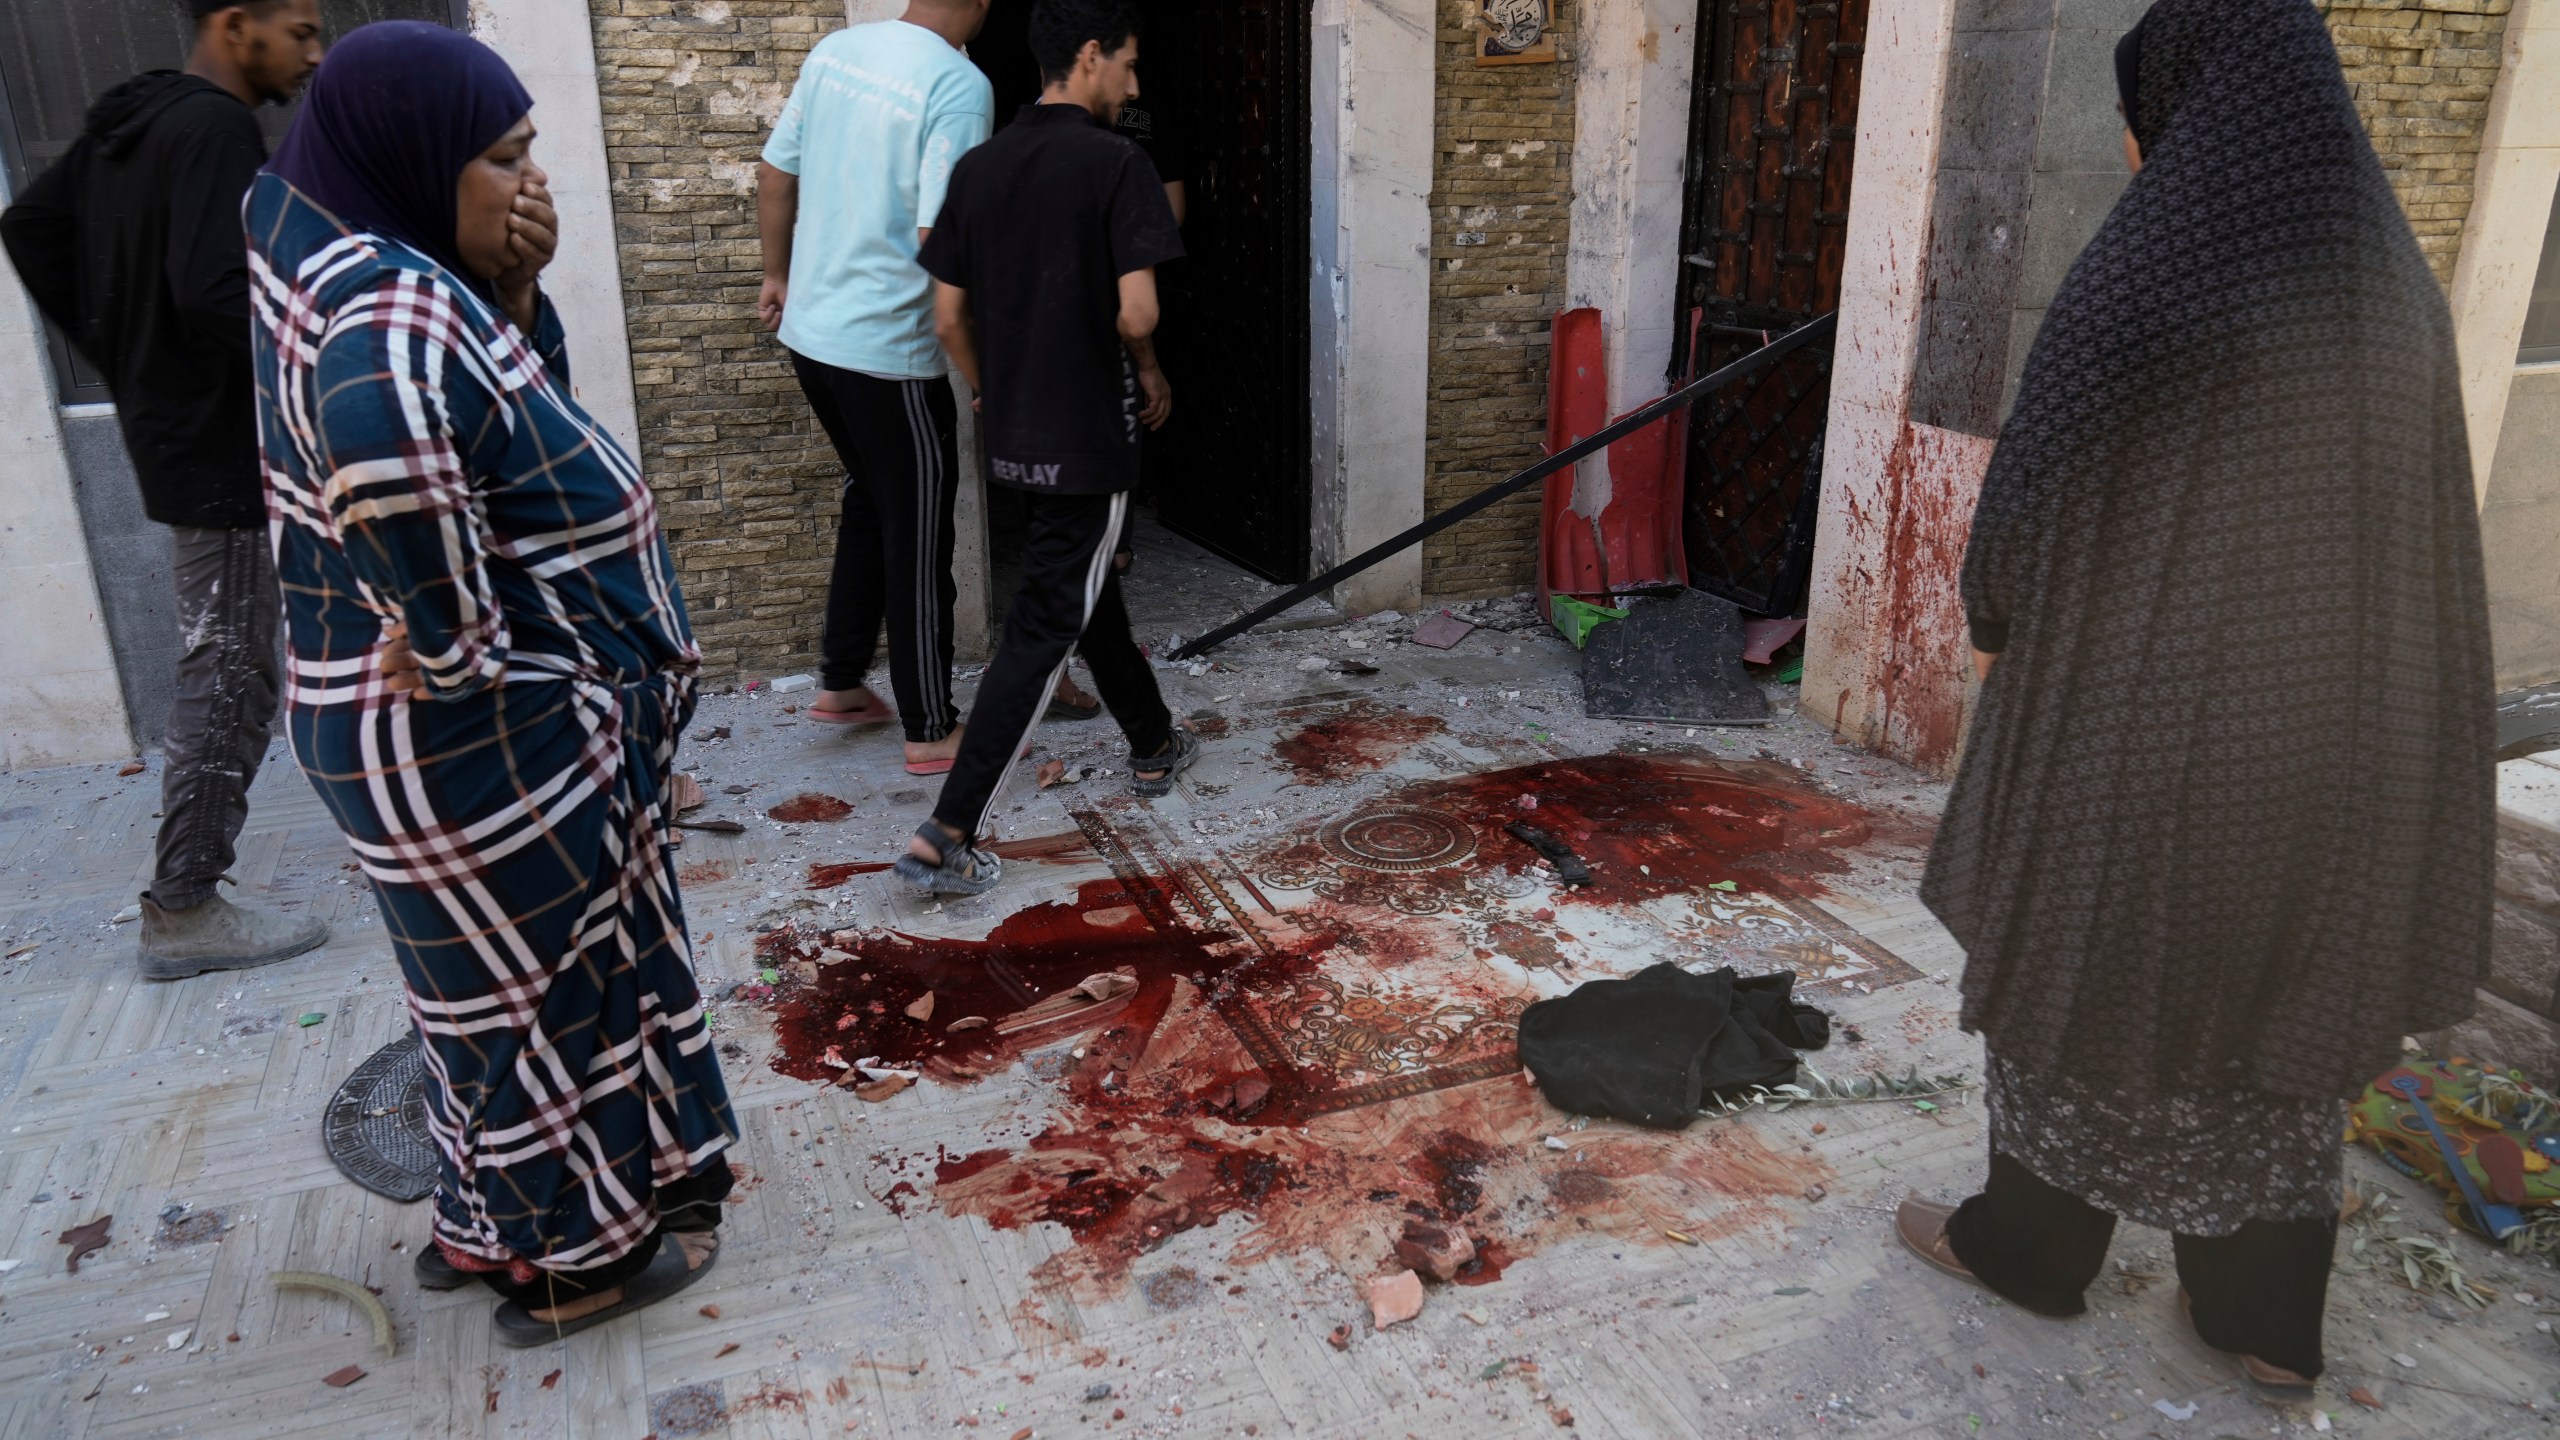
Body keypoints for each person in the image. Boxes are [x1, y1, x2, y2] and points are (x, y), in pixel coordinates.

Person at [1896, 0, 2493, 1398]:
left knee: (2086, 978)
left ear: (2181, 99)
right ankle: (2265, 1325)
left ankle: (2029, 1252)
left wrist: (1993, 625)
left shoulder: (2155, 272)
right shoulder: (2392, 279)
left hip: (2150, 731)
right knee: (2284, 1030)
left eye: (2132, 114)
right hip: (2347, 751)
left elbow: (2035, 497)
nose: (2122, 143)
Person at [245, 22, 737, 1345]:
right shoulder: (385, 306)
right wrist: (447, 627)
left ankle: (484, 1226)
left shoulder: (392, 268)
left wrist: (514, 296)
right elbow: (383, 434)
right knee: (548, 1013)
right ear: (414, 158)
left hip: (477, 731)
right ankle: (579, 1268)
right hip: (477, 731)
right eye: (504, 155)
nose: (529, 184)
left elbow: (516, 422)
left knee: (496, 1004)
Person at [0, 0, 330, 980]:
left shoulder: (134, 121)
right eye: (300, 30)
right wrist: (312, 360)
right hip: (220, 435)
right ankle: (183, 907)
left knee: (228, 653)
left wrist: (121, 354)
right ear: (237, 23)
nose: (313, 54)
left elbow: (30, 224)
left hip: (176, 422)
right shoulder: (215, 126)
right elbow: (212, 286)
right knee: (231, 663)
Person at [896, 0, 1192, 896]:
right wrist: (1145, 367)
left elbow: (948, 315)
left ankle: (1152, 741)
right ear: (1091, 56)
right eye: (1129, 66)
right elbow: (1137, 311)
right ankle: (949, 827)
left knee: (1081, 589)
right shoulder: (1116, 163)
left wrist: (987, 384)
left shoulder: (980, 166)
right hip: (1088, 430)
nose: (1134, 86)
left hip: (1014, 426)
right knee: (1044, 621)